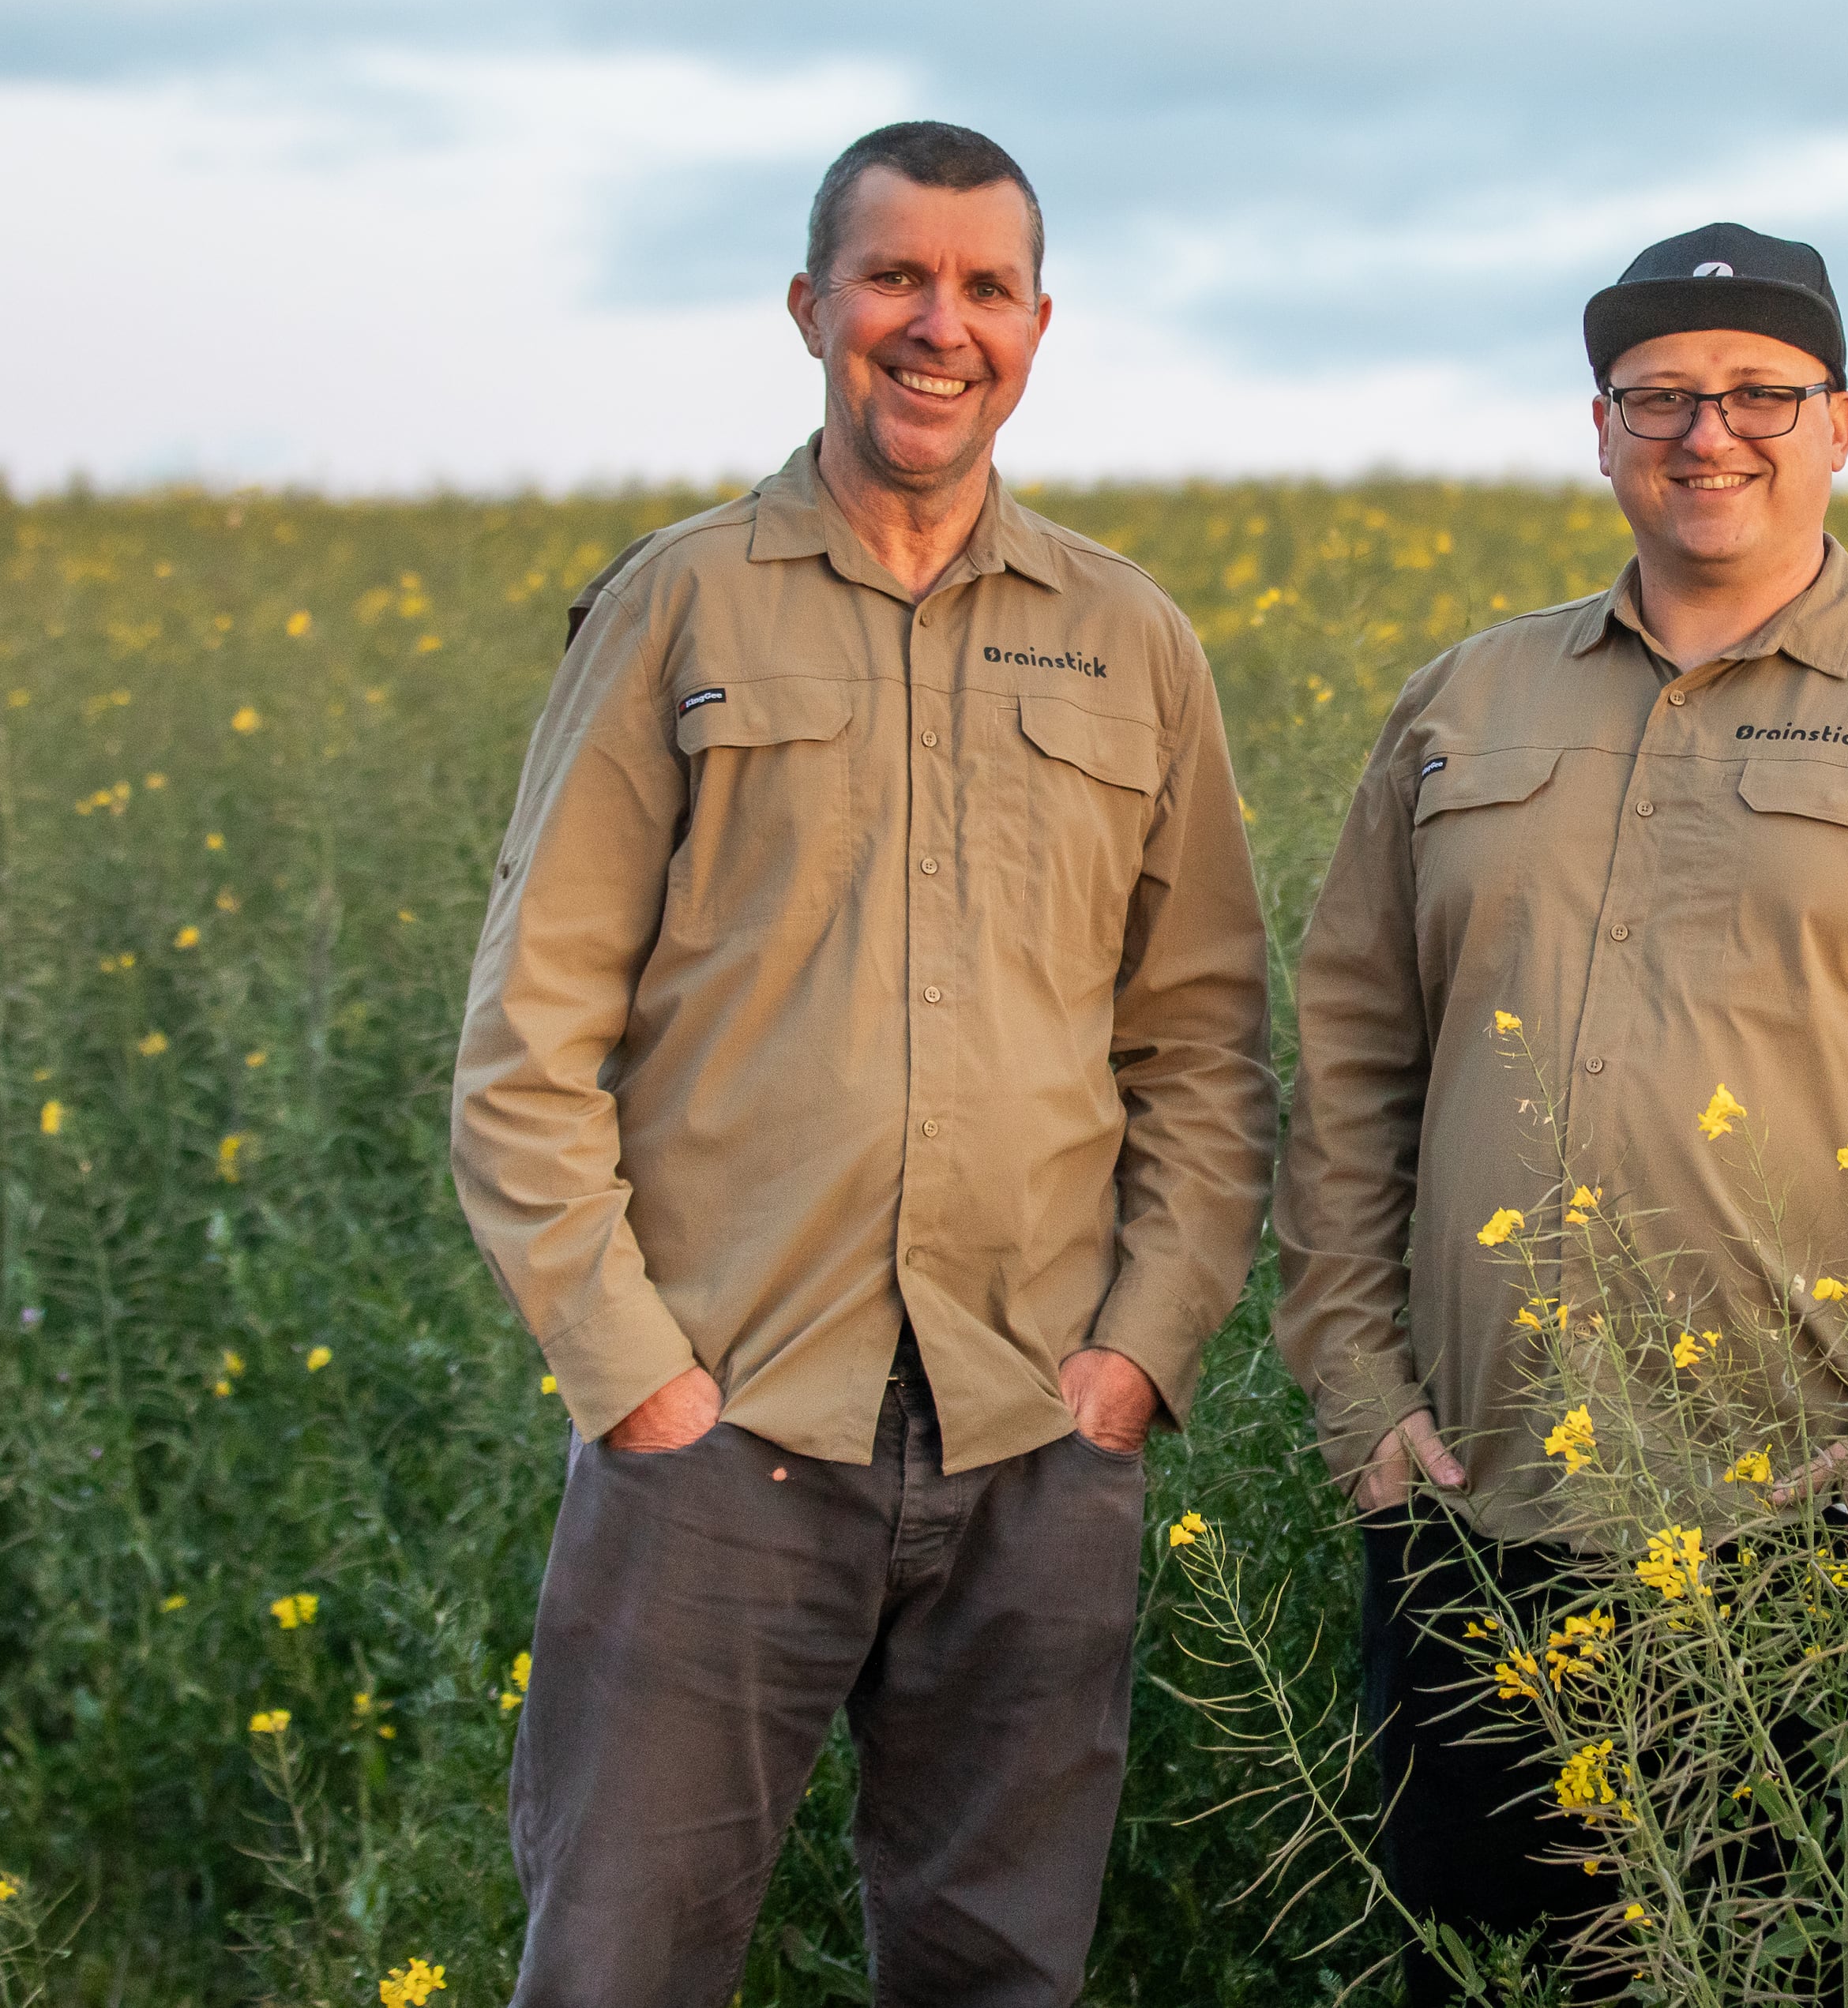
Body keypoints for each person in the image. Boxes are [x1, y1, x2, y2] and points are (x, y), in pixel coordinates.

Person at [450, 120, 1277, 2008]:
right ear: (812, 304)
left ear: (1041, 324)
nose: (938, 323)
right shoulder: (680, 605)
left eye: (984, 286)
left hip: (1031, 1439)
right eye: (895, 276)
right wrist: (638, 1380)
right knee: (618, 1968)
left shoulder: (1130, 640)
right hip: (723, 1429)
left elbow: (1205, 1046)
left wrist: (1138, 1355)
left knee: (999, 1971)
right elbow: (525, 1042)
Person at [1271, 222, 1848, 1997]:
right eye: (1660, 395)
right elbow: (1352, 1054)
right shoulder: (1463, 702)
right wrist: (1357, 1385)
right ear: (1599, 428)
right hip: (1480, 1508)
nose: (1707, 433)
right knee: (1489, 1976)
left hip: (1810, 1529)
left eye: (1759, 393)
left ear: (1842, 422)